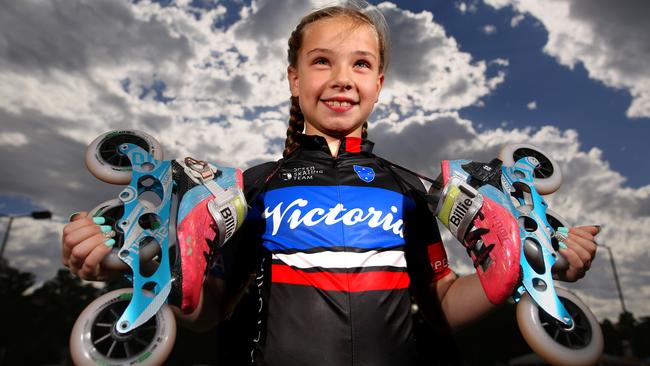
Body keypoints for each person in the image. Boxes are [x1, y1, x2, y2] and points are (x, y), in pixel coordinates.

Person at [62, 3, 600, 365]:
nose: (342, 78)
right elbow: (206, 313)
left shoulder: (408, 189)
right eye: (322, 62)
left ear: (379, 84)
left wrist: (523, 267)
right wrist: (129, 261)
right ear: (295, 79)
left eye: (360, 64)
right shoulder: (252, 186)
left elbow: (440, 305)